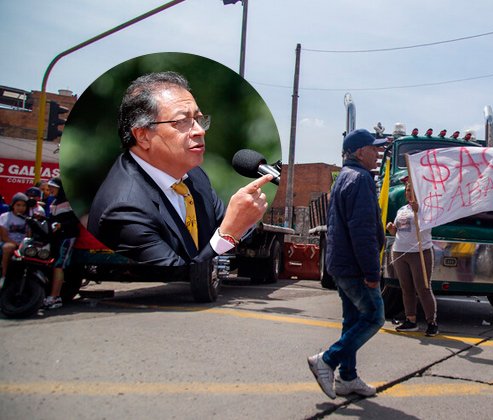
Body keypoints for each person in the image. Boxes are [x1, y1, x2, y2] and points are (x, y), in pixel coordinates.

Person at [87, 71, 273, 270]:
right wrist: (229, 233)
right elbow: (179, 275)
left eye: (198, 119)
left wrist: (242, 218)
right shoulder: (125, 208)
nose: (199, 130)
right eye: (182, 121)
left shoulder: (194, 176)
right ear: (142, 136)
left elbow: (222, 227)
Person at [307, 128, 387, 399]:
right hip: (354, 267)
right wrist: (372, 272)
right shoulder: (362, 179)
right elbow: (362, 230)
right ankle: (327, 361)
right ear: (359, 151)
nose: (378, 154)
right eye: (374, 148)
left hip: (340, 264)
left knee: (352, 319)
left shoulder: (343, 177)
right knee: (374, 317)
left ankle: (348, 378)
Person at [386, 175, 438, 336]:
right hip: (400, 251)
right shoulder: (402, 210)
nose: (409, 193)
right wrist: (391, 229)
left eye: (413, 191)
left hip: (420, 253)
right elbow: (399, 231)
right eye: (408, 190)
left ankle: (432, 322)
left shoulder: (427, 208)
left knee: (423, 288)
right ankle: (410, 320)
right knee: (406, 288)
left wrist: (419, 212)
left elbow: (429, 226)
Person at [41, 177, 79, 310]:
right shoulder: (54, 202)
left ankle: (55, 297)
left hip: (67, 237)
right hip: (56, 238)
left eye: (53, 187)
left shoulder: (70, 202)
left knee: (59, 265)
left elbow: (76, 221)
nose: (50, 189)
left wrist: (61, 225)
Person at [1, 193, 29, 286]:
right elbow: (4, 237)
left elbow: (29, 235)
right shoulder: (5, 216)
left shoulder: (27, 219)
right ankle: (4, 276)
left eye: (24, 205)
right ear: (13, 205)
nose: (21, 208)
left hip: (23, 244)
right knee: (8, 247)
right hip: (8, 242)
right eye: (18, 205)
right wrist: (18, 245)